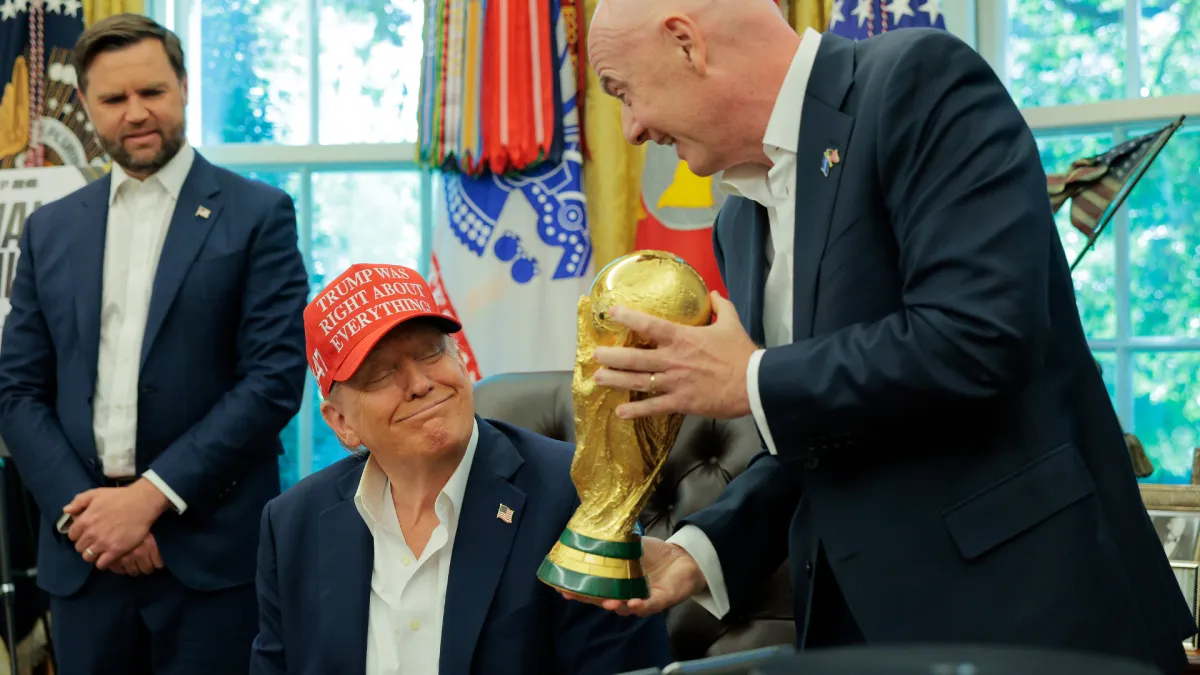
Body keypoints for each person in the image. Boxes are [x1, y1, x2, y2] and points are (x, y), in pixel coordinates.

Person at [574, 0, 1197, 673]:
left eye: (621, 91)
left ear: (687, 44)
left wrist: (750, 380)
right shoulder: (737, 223)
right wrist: (698, 553)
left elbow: (979, 334)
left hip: (1028, 619)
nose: (631, 128)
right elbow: (819, 436)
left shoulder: (918, 80)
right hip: (855, 633)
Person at [0, 13, 309, 675]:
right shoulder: (51, 230)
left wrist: (148, 501)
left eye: (153, 92)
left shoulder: (258, 214)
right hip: (82, 555)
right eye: (114, 99)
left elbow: (273, 379)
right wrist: (88, 516)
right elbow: (17, 390)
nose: (136, 113)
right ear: (85, 106)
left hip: (207, 557)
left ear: (185, 88)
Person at [248, 263, 674, 675]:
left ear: (461, 360)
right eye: (380, 374)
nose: (419, 384)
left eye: (431, 352)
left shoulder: (577, 494)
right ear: (341, 423)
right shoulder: (292, 526)